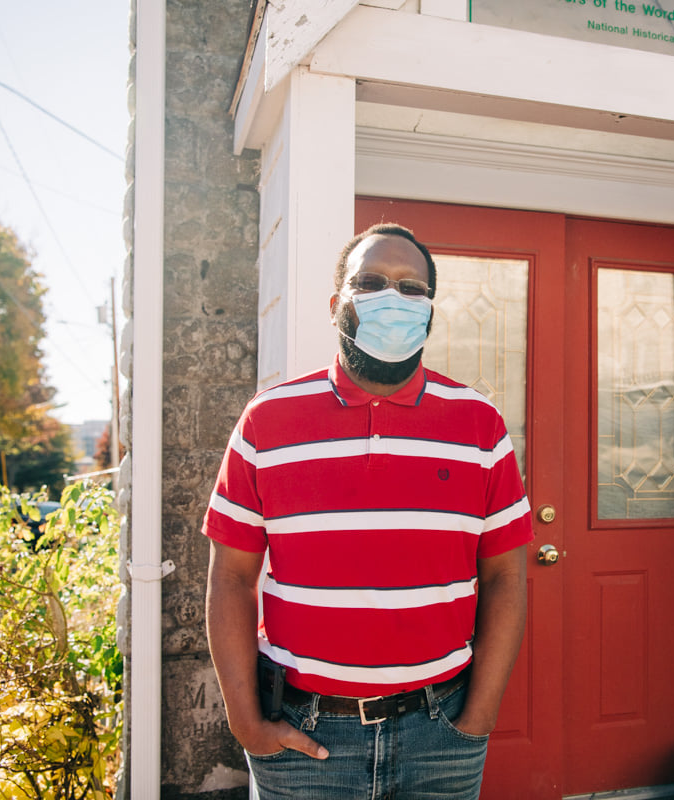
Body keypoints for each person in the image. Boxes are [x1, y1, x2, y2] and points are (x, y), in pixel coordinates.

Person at [203, 223, 533, 800]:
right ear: (338, 305)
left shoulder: (481, 425)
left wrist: (475, 721)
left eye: (413, 289)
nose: (394, 298)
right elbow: (231, 576)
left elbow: (506, 574)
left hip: (442, 733)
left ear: (430, 311)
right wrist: (245, 723)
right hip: (303, 738)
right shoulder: (267, 421)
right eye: (372, 282)